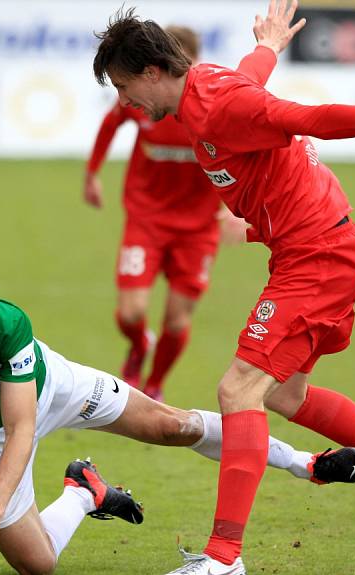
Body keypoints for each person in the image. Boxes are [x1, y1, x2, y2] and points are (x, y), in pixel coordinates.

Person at [93, 0, 355, 575]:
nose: (124, 102)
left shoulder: (219, 102)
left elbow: (310, 116)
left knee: (238, 388)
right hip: (309, 251)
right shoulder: (205, 90)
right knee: (286, 395)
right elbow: (252, 75)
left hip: (316, 255)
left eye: (123, 86)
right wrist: (270, 43)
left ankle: (223, 556)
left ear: (151, 71)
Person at [0, 255, 355, 575]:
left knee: (173, 426)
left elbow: (23, 428)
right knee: (38, 565)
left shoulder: (6, 322)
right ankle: (84, 491)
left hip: (47, 388)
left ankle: (304, 462)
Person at [84, 26, 248, 403]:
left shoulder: (207, 107)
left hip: (198, 228)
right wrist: (92, 173)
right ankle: (140, 343)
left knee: (177, 319)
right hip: (147, 218)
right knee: (131, 312)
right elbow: (111, 123)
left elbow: (243, 152)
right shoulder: (143, 102)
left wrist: (236, 208)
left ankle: (154, 384)